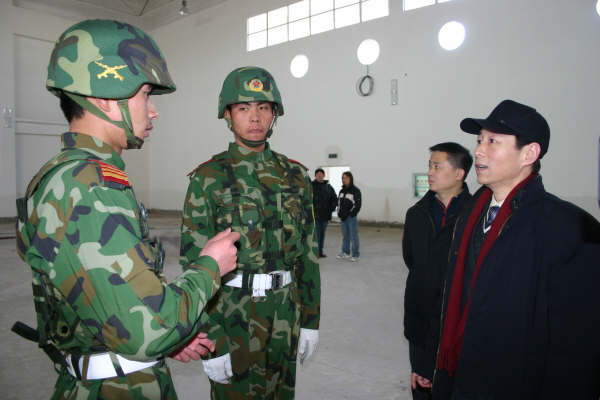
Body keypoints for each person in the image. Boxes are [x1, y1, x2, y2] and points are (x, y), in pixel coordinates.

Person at [13, 19, 240, 399]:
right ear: (106, 95)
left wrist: (170, 339)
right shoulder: (88, 187)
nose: (153, 111)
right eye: (146, 95)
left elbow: (105, 301)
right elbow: (147, 331)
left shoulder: (73, 176)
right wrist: (210, 266)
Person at [432, 100, 600, 399]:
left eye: (493, 141)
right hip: (462, 376)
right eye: (479, 140)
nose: (479, 151)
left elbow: (577, 344)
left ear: (529, 154)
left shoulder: (569, 229)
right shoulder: (470, 216)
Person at [180, 66, 321, 399]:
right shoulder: (208, 178)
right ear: (228, 115)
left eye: (263, 107)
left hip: (284, 316)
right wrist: (210, 338)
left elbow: (308, 255)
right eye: (243, 108)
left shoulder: (295, 176)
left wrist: (310, 320)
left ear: (274, 115)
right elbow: (194, 265)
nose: (255, 117)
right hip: (232, 318)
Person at [402, 142, 472, 400]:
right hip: (419, 319)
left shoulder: (474, 217)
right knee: (421, 387)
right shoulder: (416, 214)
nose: (430, 172)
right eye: (429, 166)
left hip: (457, 325)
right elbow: (411, 260)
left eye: (437, 166)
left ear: (459, 173)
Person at [311, 168, 338, 258]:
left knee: (322, 234)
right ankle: (316, 252)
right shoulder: (311, 186)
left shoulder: (328, 187)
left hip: (325, 216)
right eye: (318, 174)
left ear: (323, 175)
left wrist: (332, 208)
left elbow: (334, 198)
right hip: (315, 216)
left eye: (321, 174)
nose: (319, 175)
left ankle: (320, 252)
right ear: (315, 176)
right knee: (317, 234)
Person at [337, 171, 361, 262]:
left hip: (351, 218)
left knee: (353, 236)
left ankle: (356, 255)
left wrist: (351, 214)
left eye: (346, 178)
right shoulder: (341, 191)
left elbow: (358, 205)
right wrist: (339, 212)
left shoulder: (355, 190)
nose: (344, 180)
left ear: (350, 179)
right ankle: (345, 252)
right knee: (345, 236)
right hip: (343, 217)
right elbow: (339, 203)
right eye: (343, 178)